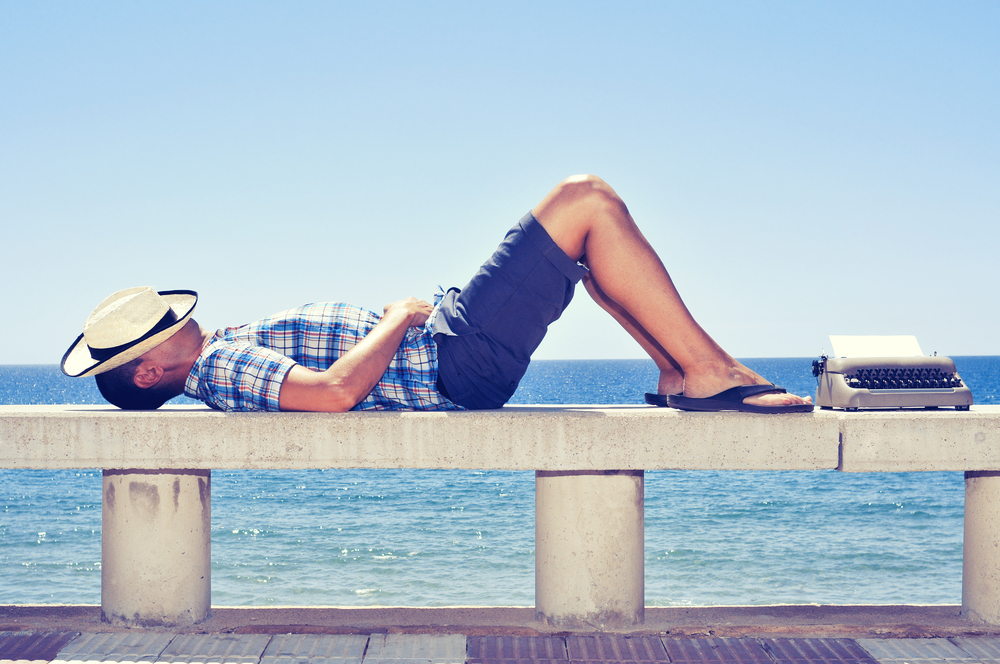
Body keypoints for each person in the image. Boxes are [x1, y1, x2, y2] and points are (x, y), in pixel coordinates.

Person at [61, 175, 813, 414]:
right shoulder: (217, 367)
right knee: (585, 202)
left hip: (451, 348)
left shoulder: (216, 355)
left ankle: (680, 372)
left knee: (587, 250)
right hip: (452, 360)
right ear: (151, 371)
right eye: (159, 326)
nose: (177, 319)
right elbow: (331, 394)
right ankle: (708, 371)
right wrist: (396, 318)